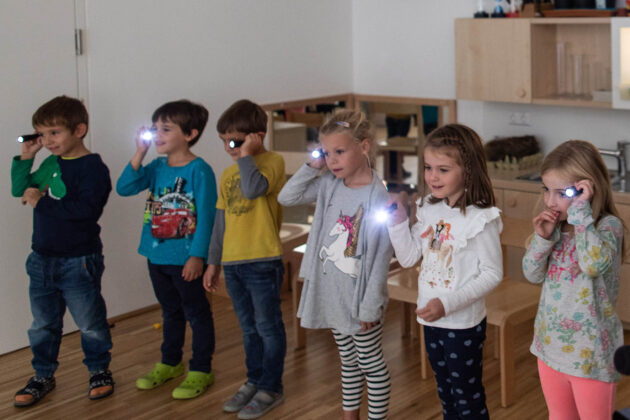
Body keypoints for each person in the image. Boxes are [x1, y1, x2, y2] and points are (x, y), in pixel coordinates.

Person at [278, 109, 394, 420]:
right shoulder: (329, 183)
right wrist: (310, 165)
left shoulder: (377, 195)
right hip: (330, 290)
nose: (332, 160)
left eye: (339, 152)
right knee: (347, 360)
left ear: (364, 147)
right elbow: (287, 197)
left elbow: (382, 255)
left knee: (371, 364)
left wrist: (370, 305)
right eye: (327, 153)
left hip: (359, 299)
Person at [386, 124, 502, 419]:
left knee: (467, 397)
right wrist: (398, 222)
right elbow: (411, 257)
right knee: (446, 392)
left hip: (461, 323)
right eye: (428, 167)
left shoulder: (480, 218)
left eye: (443, 169)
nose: (432, 176)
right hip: (431, 318)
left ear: (468, 170)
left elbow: (492, 274)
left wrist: (446, 304)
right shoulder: (428, 207)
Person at [11, 95, 114, 406]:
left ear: (79, 129)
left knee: (89, 322)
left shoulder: (93, 168)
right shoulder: (50, 162)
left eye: (54, 133)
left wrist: (40, 201)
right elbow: (20, 189)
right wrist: (26, 157)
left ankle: (99, 370)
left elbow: (84, 210)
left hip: (78, 260)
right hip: (41, 259)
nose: (46, 140)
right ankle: (43, 374)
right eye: (41, 134)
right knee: (43, 323)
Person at [116, 99, 217, 400]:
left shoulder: (201, 171)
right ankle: (170, 363)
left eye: (166, 129)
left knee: (197, 314)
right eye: (155, 127)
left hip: (185, 259)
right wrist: (139, 152)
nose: (157, 134)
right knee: (170, 312)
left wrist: (197, 256)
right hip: (156, 256)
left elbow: (208, 216)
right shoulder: (156, 166)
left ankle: (201, 369)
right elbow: (124, 187)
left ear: (190, 134)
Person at [522, 140, 626, 420]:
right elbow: (531, 274)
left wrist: (580, 215)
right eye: (547, 190)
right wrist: (542, 239)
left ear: (586, 190)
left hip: (590, 355)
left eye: (563, 192)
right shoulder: (555, 229)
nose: (550, 201)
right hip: (549, 348)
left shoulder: (607, 228)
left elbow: (592, 264)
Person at [202, 99, 287, 420]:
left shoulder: (272, 161)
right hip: (234, 264)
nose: (228, 148)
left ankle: (271, 386)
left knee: (268, 327)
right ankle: (253, 380)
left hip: (263, 260)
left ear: (257, 136)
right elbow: (219, 221)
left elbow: (253, 190)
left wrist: (247, 156)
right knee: (248, 329)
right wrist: (213, 263)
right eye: (224, 141)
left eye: (235, 141)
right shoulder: (228, 173)